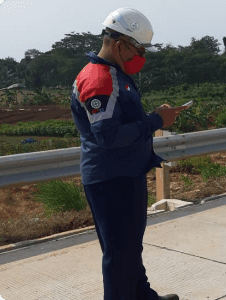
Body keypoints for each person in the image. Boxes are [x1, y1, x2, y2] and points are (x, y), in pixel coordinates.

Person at [70, 7, 184, 300]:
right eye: (138, 49)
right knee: (119, 256)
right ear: (119, 44)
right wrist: (157, 120)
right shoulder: (99, 80)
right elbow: (108, 136)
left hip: (123, 174)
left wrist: (155, 116)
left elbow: (119, 123)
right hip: (112, 179)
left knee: (129, 248)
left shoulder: (113, 74)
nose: (141, 56)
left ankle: (143, 296)